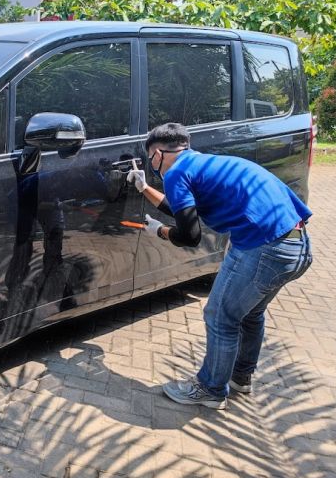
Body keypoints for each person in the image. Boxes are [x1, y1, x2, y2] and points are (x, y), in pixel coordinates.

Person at [127, 123, 313, 409]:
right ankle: (241, 377)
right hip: (295, 245)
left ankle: (210, 389)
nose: (153, 166)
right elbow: (182, 209)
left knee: (219, 317)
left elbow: (190, 234)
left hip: (263, 248)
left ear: (158, 154)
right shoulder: (206, 164)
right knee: (250, 314)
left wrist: (159, 231)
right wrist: (145, 189)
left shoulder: (177, 172)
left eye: (151, 160)